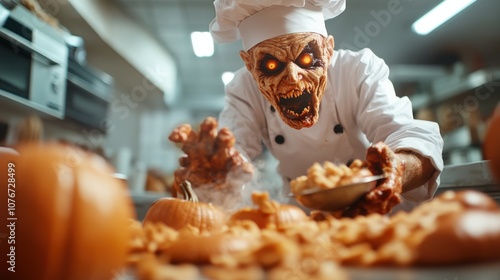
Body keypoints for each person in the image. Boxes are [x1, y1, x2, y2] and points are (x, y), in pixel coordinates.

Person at [206, 0, 443, 215]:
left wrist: (397, 172)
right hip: (302, 217)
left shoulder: (358, 69)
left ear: (328, 50)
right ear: (249, 64)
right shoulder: (243, 89)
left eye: (307, 59)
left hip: (377, 208)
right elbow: (235, 151)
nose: (293, 78)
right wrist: (216, 169)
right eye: (270, 64)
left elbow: (407, 134)